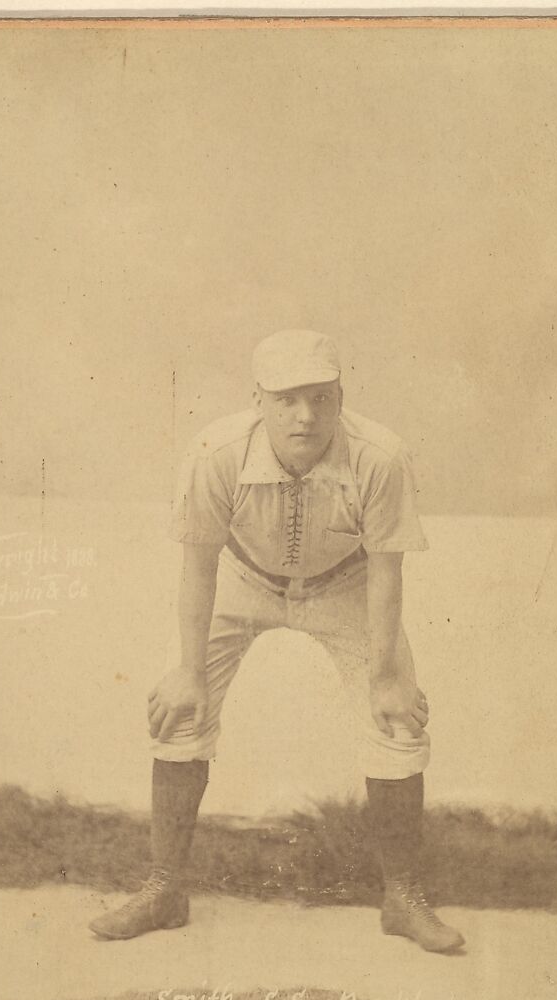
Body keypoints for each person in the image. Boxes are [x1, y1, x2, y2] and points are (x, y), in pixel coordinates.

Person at [89, 330, 464, 953]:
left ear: (340, 396)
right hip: (243, 577)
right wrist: (189, 668)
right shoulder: (216, 451)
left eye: (322, 398)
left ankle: (404, 898)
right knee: (181, 707)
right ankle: (164, 888)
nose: (306, 415)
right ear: (257, 399)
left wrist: (388, 677)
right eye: (287, 399)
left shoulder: (381, 456)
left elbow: (387, 570)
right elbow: (198, 566)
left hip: (346, 583)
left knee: (397, 722)